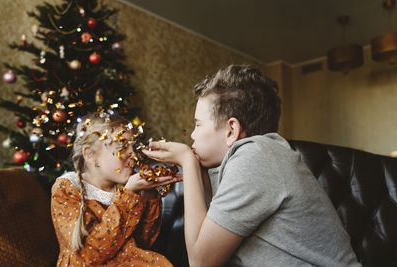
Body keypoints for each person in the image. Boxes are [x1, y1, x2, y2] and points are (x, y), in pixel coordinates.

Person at [143, 65, 361, 267]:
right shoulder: (255, 157)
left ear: (231, 130)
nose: (192, 134)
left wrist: (187, 162)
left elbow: (201, 261)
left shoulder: (257, 156)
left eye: (198, 124)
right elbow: (210, 230)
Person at [51, 112, 179, 266]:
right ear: (90, 155)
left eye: (133, 145)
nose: (133, 153)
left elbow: (144, 242)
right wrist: (128, 196)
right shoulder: (68, 188)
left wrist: (148, 194)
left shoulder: (125, 188)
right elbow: (89, 255)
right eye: (122, 146)